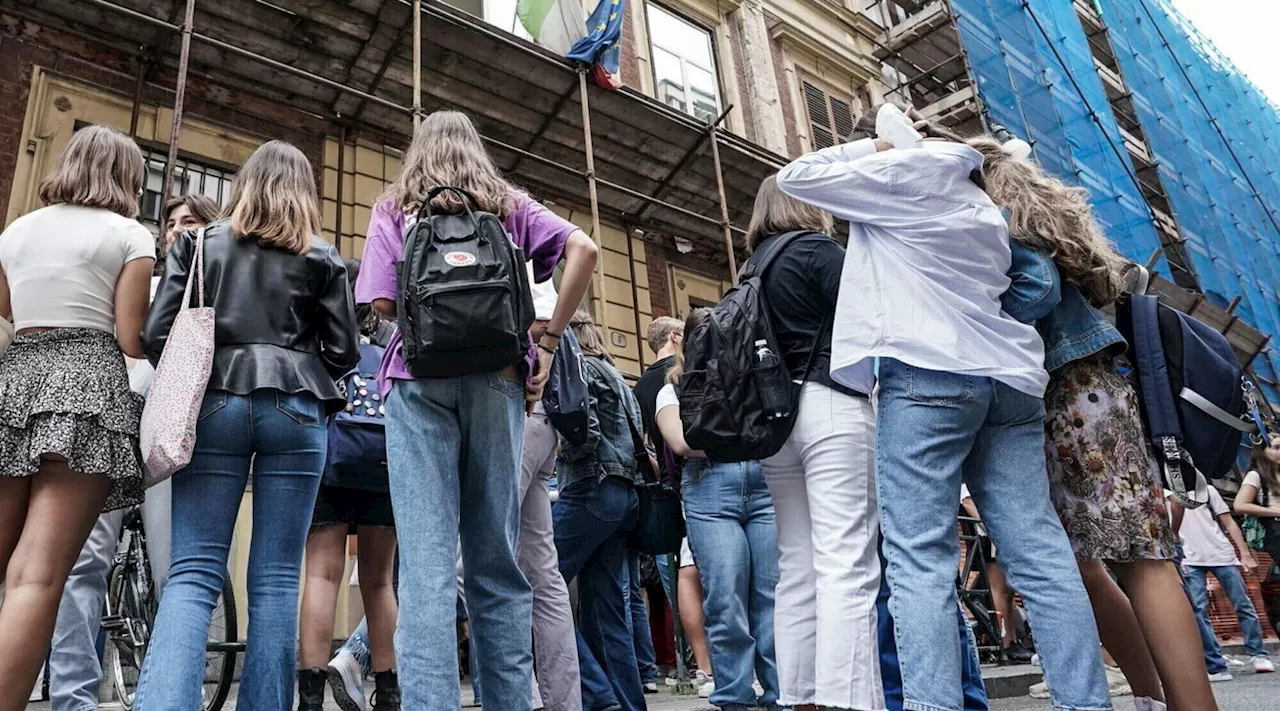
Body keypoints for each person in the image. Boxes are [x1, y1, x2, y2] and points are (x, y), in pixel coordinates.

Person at [776, 108, 1110, 711]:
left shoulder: (905, 179)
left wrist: (873, 149)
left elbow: (797, 176)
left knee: (919, 558)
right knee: (1039, 552)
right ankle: (1086, 703)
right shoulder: (983, 206)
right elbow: (1032, 287)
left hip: (928, 373)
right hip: (1009, 380)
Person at [354, 109, 597, 711]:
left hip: (416, 382)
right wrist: (546, 339)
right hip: (498, 380)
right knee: (496, 560)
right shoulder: (507, 204)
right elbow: (584, 250)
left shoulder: (395, 207)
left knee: (429, 564)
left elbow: (381, 299)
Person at [970, 135, 1218, 710]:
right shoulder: (1049, 219)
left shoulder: (996, 220)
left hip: (1063, 392)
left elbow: (1033, 296)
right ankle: (1158, 699)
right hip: (1098, 390)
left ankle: (1176, 701)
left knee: (1126, 561)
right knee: (1102, 562)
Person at [135, 140, 358, 709]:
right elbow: (345, 351)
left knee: (191, 573)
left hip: (214, 403)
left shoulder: (199, 244)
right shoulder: (323, 257)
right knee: (279, 578)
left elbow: (157, 333)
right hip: (297, 407)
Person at [0, 124, 155, 710]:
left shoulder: (15, 231)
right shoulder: (129, 234)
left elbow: (7, 312)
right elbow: (128, 338)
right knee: (38, 576)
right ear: (128, 177)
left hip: (14, 380)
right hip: (88, 380)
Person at [46, 193, 218, 711]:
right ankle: (72, 697)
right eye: (171, 223)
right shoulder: (139, 269)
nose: (176, 230)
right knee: (85, 561)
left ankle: (165, 694)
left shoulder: (217, 277)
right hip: (118, 415)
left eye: (189, 222)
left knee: (174, 569)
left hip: (176, 429)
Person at [743, 176, 881, 711]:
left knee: (796, 567)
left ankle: (798, 698)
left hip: (775, 425)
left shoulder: (751, 267)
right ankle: (849, 702)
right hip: (832, 405)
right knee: (846, 562)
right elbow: (870, 318)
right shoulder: (818, 251)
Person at [657, 308, 782, 711]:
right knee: (726, 595)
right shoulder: (672, 388)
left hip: (758, 485)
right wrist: (744, 436)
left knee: (771, 596)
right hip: (711, 489)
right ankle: (734, 695)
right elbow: (679, 442)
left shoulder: (746, 377)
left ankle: (781, 692)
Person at [298, 259, 401, 711]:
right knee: (380, 584)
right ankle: (390, 695)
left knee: (321, 576)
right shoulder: (388, 350)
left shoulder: (317, 344)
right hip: (382, 468)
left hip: (331, 463)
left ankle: (310, 699)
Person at [554, 309, 648, 711]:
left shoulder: (578, 367)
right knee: (608, 613)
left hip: (590, 489)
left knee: (531, 585)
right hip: (625, 497)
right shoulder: (617, 374)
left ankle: (596, 692)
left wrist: (559, 448)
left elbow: (584, 431)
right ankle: (625, 704)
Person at [1172, 478, 1275, 681]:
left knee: (1243, 604)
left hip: (1220, 553)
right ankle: (1216, 664)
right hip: (1189, 558)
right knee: (1199, 612)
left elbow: (1228, 522)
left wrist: (1244, 553)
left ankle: (1258, 654)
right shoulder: (1164, 494)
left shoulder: (1207, 490)